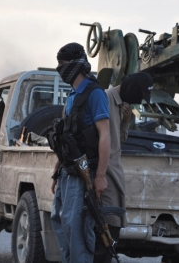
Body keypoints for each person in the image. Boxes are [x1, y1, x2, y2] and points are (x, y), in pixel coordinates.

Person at [50, 42, 111, 263]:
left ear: (76, 65)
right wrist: (57, 171)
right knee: (60, 222)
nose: (61, 69)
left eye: (63, 64)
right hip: (67, 172)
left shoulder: (95, 94)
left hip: (83, 173)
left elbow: (105, 135)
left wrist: (101, 176)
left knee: (76, 229)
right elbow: (66, 138)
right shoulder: (72, 96)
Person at [94, 72, 154, 263]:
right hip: (105, 175)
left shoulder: (122, 106)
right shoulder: (104, 98)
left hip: (114, 174)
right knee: (106, 228)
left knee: (113, 229)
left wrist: (126, 122)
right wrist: (100, 175)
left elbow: (118, 141)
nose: (138, 102)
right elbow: (99, 139)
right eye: (139, 95)